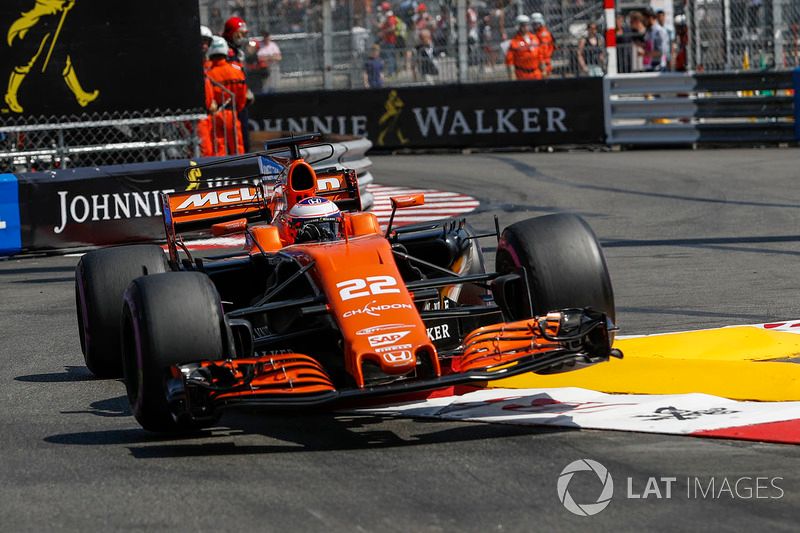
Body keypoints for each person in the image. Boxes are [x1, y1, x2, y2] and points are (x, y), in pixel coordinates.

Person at [206, 36, 247, 155]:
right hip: (232, 113)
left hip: (215, 114)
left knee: (219, 148)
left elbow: (208, 96)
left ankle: (221, 172)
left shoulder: (208, 72)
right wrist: (237, 109)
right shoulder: (237, 71)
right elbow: (242, 96)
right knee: (237, 146)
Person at [222, 16, 254, 151]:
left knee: (243, 141)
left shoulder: (237, 50)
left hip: (239, 102)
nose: (242, 36)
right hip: (228, 104)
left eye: (244, 34)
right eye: (239, 33)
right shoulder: (224, 50)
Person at [505, 15, 543, 81]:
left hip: (536, 74)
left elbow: (540, 56)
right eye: (523, 25)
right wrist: (512, 78)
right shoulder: (514, 42)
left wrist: (543, 70)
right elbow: (510, 62)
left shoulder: (534, 38)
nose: (525, 27)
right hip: (522, 75)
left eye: (527, 24)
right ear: (518, 26)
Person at [198, 25, 217, 157]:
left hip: (209, 114)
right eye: (202, 41)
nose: (204, 45)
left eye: (207, 42)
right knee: (205, 151)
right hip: (198, 115)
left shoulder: (207, 64)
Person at [530, 12, 554, 78]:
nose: (534, 26)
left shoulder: (543, 34)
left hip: (544, 63)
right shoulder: (537, 33)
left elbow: (544, 51)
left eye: (536, 24)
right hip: (539, 63)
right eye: (533, 24)